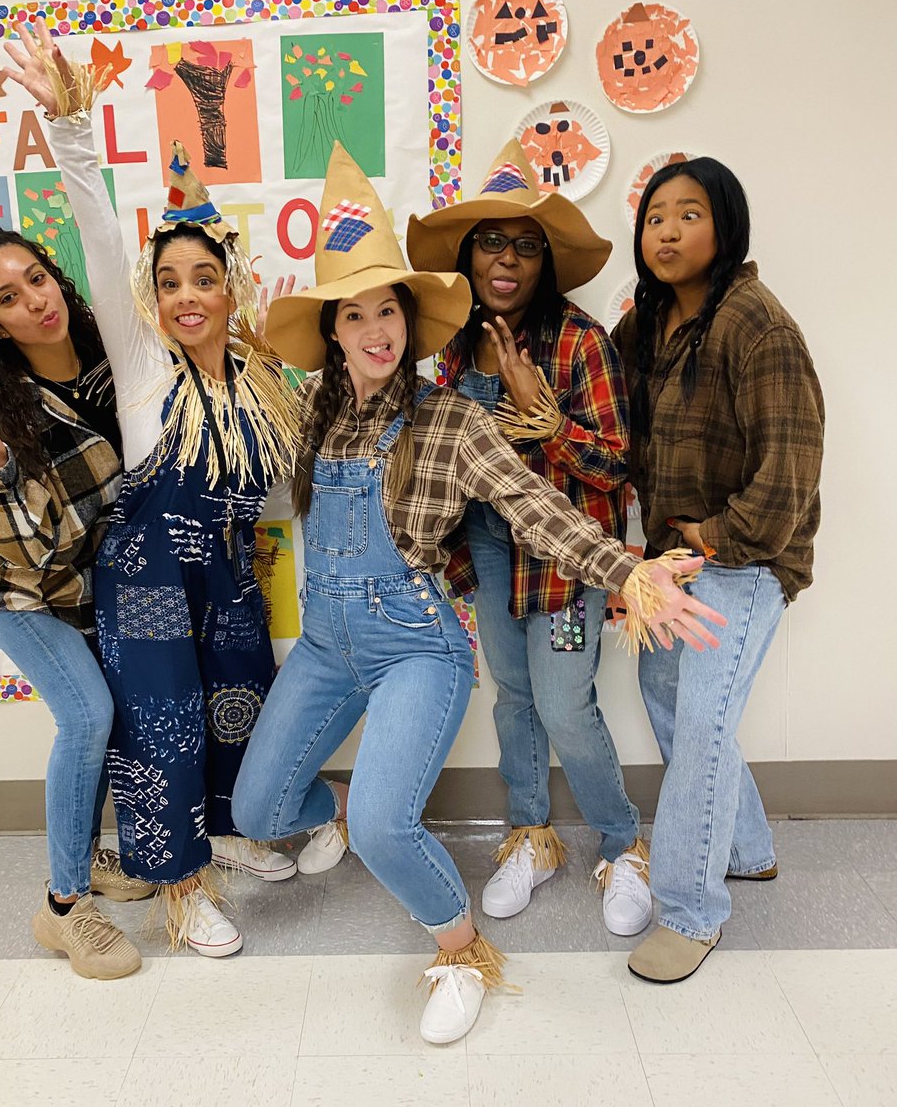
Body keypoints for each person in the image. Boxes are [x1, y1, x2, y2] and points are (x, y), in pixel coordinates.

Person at [232, 142, 726, 1044]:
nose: (377, 329)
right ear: (333, 331)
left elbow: (540, 507)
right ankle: (346, 811)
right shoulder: (309, 411)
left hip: (418, 642)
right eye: (356, 314)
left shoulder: (452, 415)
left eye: (391, 311)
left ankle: (461, 948)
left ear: (411, 325)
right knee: (256, 812)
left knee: (403, 820)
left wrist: (632, 572)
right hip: (326, 647)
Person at [3, 19, 302, 955]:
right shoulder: (141, 367)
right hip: (146, 585)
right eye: (167, 280)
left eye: (203, 278)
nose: (184, 296)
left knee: (241, 702)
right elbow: (95, 226)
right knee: (162, 733)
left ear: (231, 287)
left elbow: (288, 500)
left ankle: (226, 837)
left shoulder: (262, 385)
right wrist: (72, 131)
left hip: (229, 578)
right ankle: (177, 887)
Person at [407, 141, 651, 936]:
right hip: (483, 553)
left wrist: (544, 419)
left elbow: (616, 463)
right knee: (514, 701)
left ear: (546, 262)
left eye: (525, 245)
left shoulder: (580, 343)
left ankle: (622, 843)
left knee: (563, 704)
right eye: (491, 241)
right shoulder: (447, 347)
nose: (506, 259)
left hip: (562, 561)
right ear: (469, 254)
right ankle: (531, 833)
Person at [613, 157, 824, 983]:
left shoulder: (758, 325)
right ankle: (750, 849)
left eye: (688, 214)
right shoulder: (650, 319)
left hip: (745, 559)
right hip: (675, 559)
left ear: (725, 224)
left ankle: (692, 913)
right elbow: (612, 418)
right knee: (671, 706)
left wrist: (716, 538)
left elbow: (792, 469)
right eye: (655, 216)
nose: (666, 230)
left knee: (700, 723)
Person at [0, 224, 150, 980]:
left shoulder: (115, 357)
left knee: (113, 717)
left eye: (37, 279)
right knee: (86, 715)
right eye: (7, 299)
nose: (35, 302)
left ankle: (85, 853)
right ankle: (62, 906)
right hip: (17, 587)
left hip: (89, 583)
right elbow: (23, 552)